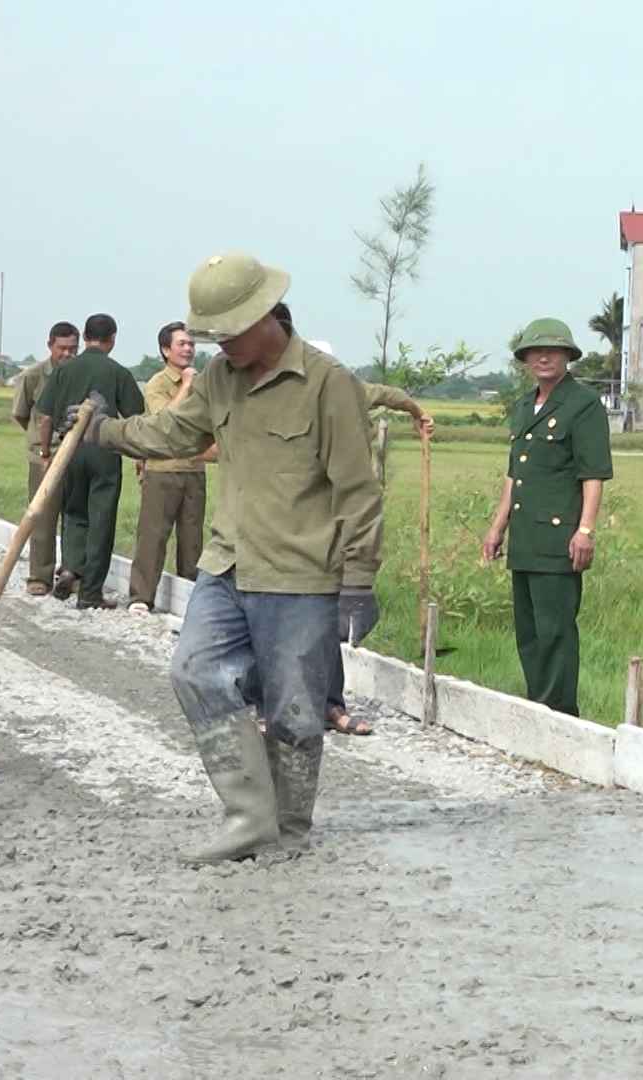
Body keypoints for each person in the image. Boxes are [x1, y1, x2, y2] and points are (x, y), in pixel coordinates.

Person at [64, 252, 383, 862]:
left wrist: (360, 578)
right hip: (228, 564)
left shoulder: (327, 384)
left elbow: (358, 490)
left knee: (294, 710)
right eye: (213, 335)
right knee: (193, 671)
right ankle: (248, 818)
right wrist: (106, 431)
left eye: (232, 331)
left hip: (300, 575)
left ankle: (289, 831)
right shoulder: (217, 379)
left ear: (268, 314)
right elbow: (174, 432)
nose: (221, 344)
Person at [270, 302, 434, 737]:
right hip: (296, 514)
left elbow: (392, 395)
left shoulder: (350, 389)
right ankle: (279, 704)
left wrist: (419, 414)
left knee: (324, 612)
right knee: (279, 612)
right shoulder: (282, 399)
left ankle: (330, 705)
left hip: (343, 509)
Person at [480, 318, 613, 717]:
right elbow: (513, 475)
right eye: (535, 351)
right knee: (529, 631)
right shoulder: (524, 406)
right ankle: (537, 707)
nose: (544, 357)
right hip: (525, 536)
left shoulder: (583, 404)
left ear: (568, 356)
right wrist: (497, 527)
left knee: (555, 630)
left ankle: (559, 713)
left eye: (553, 350)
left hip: (559, 539)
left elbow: (592, 474)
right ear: (524, 359)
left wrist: (585, 530)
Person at [37, 313, 144, 609]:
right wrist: (140, 456)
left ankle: (71, 566)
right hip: (104, 451)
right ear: (112, 340)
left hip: (69, 450)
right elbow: (136, 417)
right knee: (101, 519)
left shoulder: (63, 371)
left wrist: (46, 453)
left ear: (84, 338)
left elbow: (45, 416)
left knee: (72, 513)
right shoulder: (118, 372)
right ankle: (91, 592)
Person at [127, 321, 216, 615]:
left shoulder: (204, 384)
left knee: (192, 539)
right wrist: (187, 384)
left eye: (191, 344)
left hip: (194, 470)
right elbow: (163, 420)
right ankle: (141, 596)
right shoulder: (157, 384)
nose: (189, 349)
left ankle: (191, 597)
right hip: (162, 470)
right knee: (152, 535)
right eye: (182, 344)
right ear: (166, 350)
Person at [10, 321, 78, 597]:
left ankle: (71, 573)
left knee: (74, 517)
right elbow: (21, 413)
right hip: (45, 457)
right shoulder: (34, 376)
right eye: (62, 348)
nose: (67, 354)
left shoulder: (79, 374)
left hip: (75, 454)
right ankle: (40, 576)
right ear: (50, 345)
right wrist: (41, 444)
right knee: (43, 517)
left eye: (73, 348)